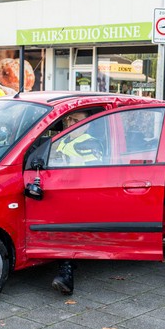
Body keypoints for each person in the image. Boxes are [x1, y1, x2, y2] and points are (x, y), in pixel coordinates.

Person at [51, 111, 97, 295]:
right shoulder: (65, 139)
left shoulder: (89, 142)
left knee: (65, 226)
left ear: (87, 124)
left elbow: (96, 173)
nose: (70, 123)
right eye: (68, 119)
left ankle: (66, 275)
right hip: (61, 190)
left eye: (75, 120)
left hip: (80, 195)